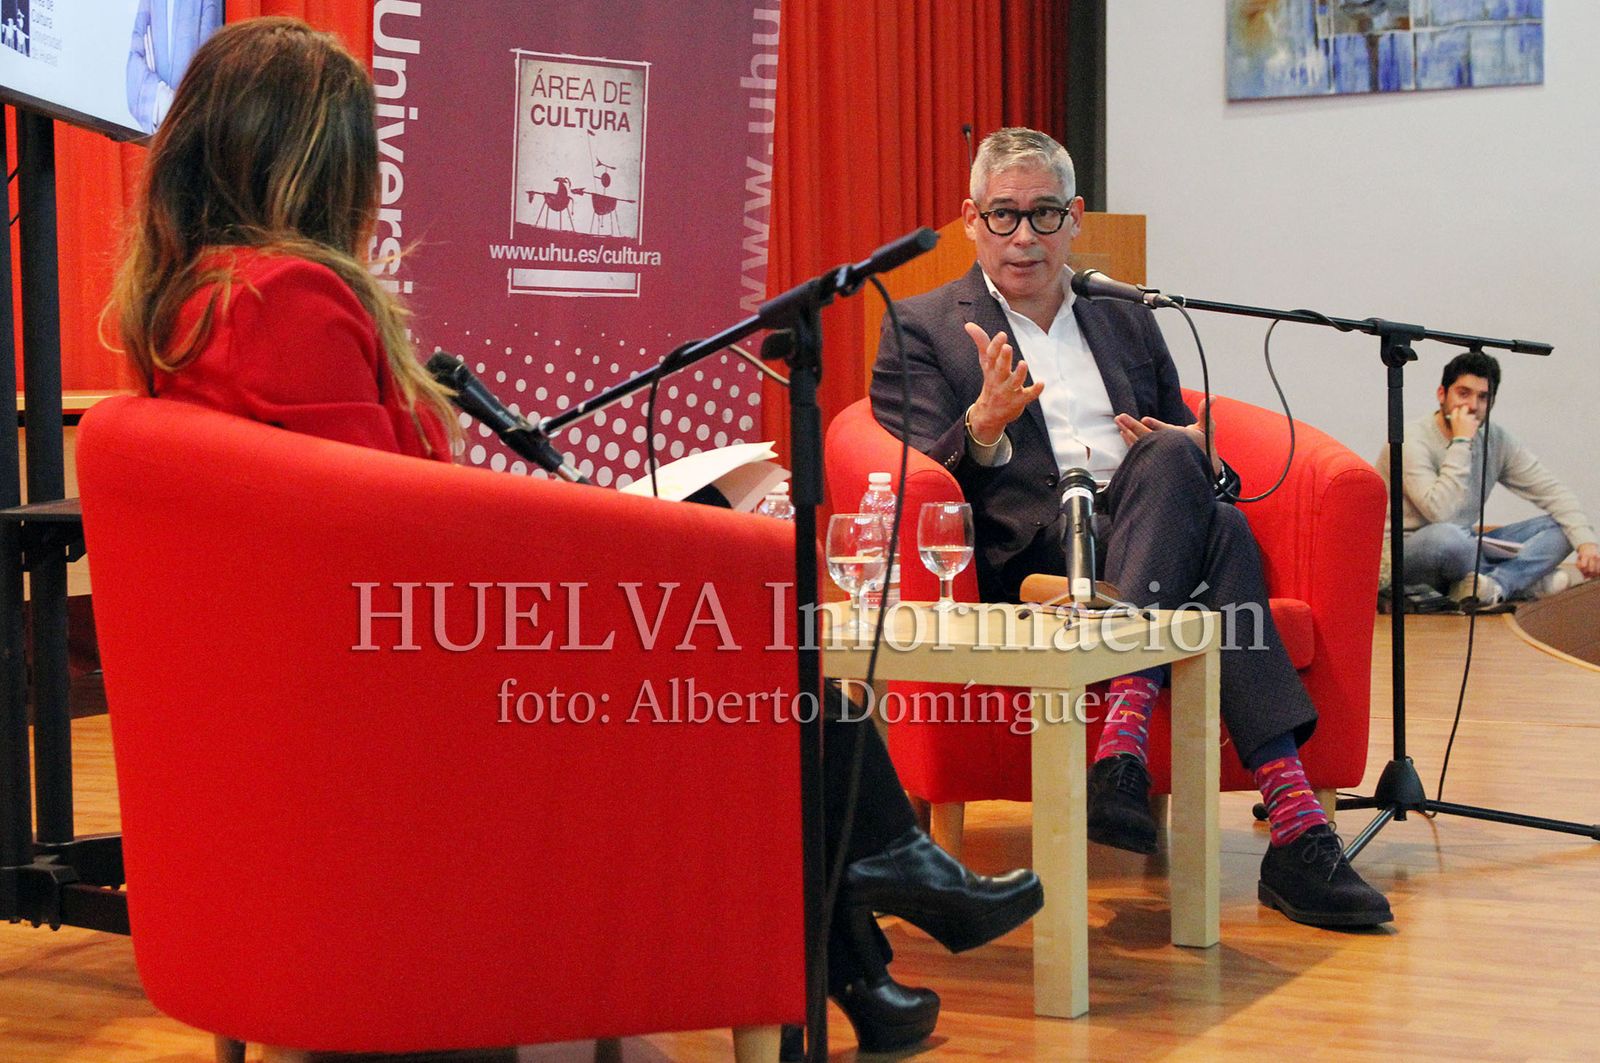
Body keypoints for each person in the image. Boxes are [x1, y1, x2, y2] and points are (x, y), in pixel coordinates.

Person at [107, 18, 1042, 1057]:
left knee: (726, 646)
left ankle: (868, 955)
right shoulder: (293, 302)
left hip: (354, 688)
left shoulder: (189, 307)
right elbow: (383, 534)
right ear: (321, 162)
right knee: (741, 647)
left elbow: (366, 520)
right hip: (412, 689)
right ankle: (887, 881)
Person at [870, 127, 1393, 929]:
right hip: (1037, 554)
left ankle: (1128, 742)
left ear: (1075, 217)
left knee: (1189, 479)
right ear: (969, 219)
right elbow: (916, 478)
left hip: (1147, 528)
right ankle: (1293, 828)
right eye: (1003, 216)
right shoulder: (924, 326)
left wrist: (1189, 456)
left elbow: (1185, 440)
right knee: (1218, 530)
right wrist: (982, 426)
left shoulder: (1126, 314)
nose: (1023, 237)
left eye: (1043, 215)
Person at [1378, 350, 1598, 607]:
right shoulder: (1411, 440)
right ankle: (1521, 581)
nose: (1472, 405)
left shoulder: (1497, 439)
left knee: (1563, 528)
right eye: (1463, 393)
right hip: (1406, 552)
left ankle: (1495, 585)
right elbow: (1440, 513)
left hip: (1466, 546)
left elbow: (1554, 492)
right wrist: (1461, 442)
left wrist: (1587, 544)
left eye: (1483, 397)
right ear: (1442, 394)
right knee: (1450, 539)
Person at [127, 0, 226, 134]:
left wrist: (183, 108)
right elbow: (135, 56)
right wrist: (163, 102)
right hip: (165, 120)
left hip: (191, 122)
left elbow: (208, 60)